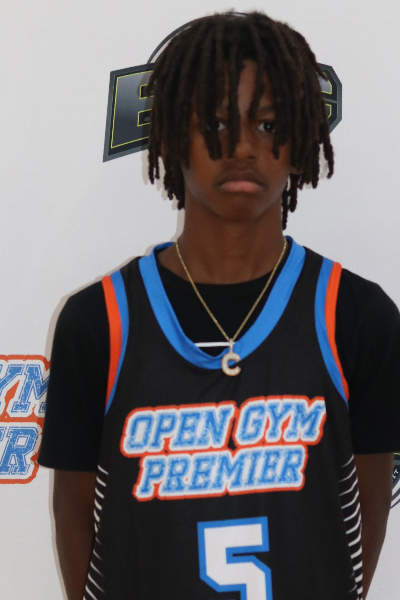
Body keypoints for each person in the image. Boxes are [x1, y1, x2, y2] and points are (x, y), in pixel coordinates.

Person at [38, 11, 400, 600]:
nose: (242, 147)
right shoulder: (97, 322)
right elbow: (75, 513)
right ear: (170, 138)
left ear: (300, 143)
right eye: (215, 123)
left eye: (268, 124)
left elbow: (361, 525)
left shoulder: (358, 317)